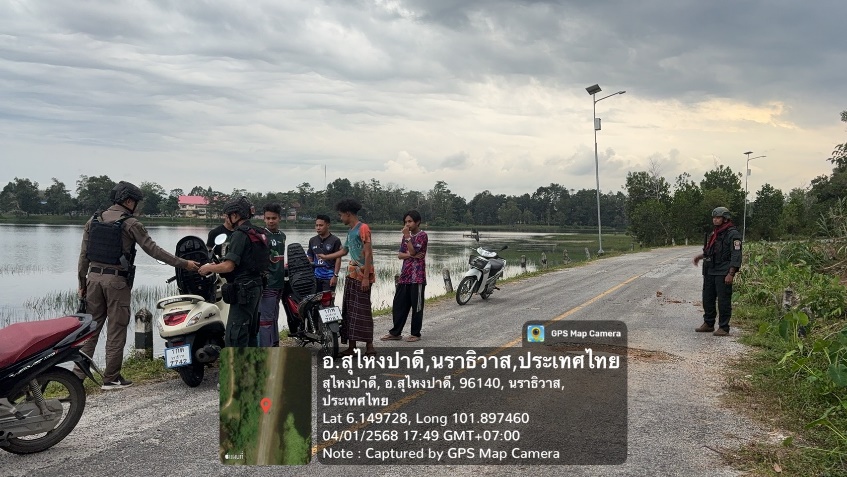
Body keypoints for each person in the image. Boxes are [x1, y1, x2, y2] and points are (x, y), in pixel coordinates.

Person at [77, 181, 200, 390]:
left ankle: (76, 376)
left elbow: (83, 256)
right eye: (136, 202)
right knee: (116, 330)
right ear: (128, 201)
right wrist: (184, 264)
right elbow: (154, 250)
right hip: (116, 282)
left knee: (91, 330)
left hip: (93, 279)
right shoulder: (131, 223)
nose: (137, 206)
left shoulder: (93, 220)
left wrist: (82, 283)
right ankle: (111, 378)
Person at [198, 197, 267, 347]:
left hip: (244, 290)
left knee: (235, 334)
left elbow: (228, 266)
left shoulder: (239, 234)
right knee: (251, 332)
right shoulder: (258, 231)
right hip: (257, 286)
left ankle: (236, 362)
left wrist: (208, 268)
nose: (227, 218)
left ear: (235, 215)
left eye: (228, 215)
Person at [318, 198, 376, 356]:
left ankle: (370, 346)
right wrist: (326, 257)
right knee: (349, 310)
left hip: (362, 275)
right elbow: (344, 251)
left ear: (348, 214)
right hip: (351, 275)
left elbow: (368, 253)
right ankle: (352, 347)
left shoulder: (363, 228)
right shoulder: (350, 231)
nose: (340, 218)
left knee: (363, 310)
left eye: (341, 215)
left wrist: (366, 277)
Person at [693, 207, 742, 336]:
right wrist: (700, 257)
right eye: (714, 217)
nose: (715, 220)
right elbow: (711, 251)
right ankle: (708, 323)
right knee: (707, 298)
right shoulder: (715, 233)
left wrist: (731, 273)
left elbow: (736, 254)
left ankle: (724, 327)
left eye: (718, 217)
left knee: (723, 300)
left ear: (725, 219)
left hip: (723, 271)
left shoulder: (733, 234)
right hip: (710, 270)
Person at [382, 210, 428, 342]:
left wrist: (408, 238)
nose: (407, 224)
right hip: (405, 276)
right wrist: (411, 254)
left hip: (417, 277)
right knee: (399, 304)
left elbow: (413, 251)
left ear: (417, 222)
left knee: (416, 306)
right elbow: (400, 255)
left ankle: (415, 334)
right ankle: (396, 333)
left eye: (410, 221)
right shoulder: (406, 237)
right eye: (406, 222)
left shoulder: (422, 236)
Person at [258, 203, 286, 347]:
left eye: (273, 218)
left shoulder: (282, 236)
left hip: (279, 282)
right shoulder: (261, 236)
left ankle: (275, 344)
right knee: (265, 319)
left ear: (279, 218)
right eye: (268, 218)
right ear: (264, 219)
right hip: (268, 283)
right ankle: (266, 349)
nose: (270, 221)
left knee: (274, 316)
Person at [307, 214, 342, 293]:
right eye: (316, 225)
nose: (318, 228)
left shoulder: (335, 240)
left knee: (328, 300)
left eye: (321, 225)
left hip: (329, 277)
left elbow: (338, 259)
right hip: (315, 277)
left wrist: (335, 276)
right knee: (315, 299)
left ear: (328, 225)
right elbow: (310, 258)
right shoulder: (312, 240)